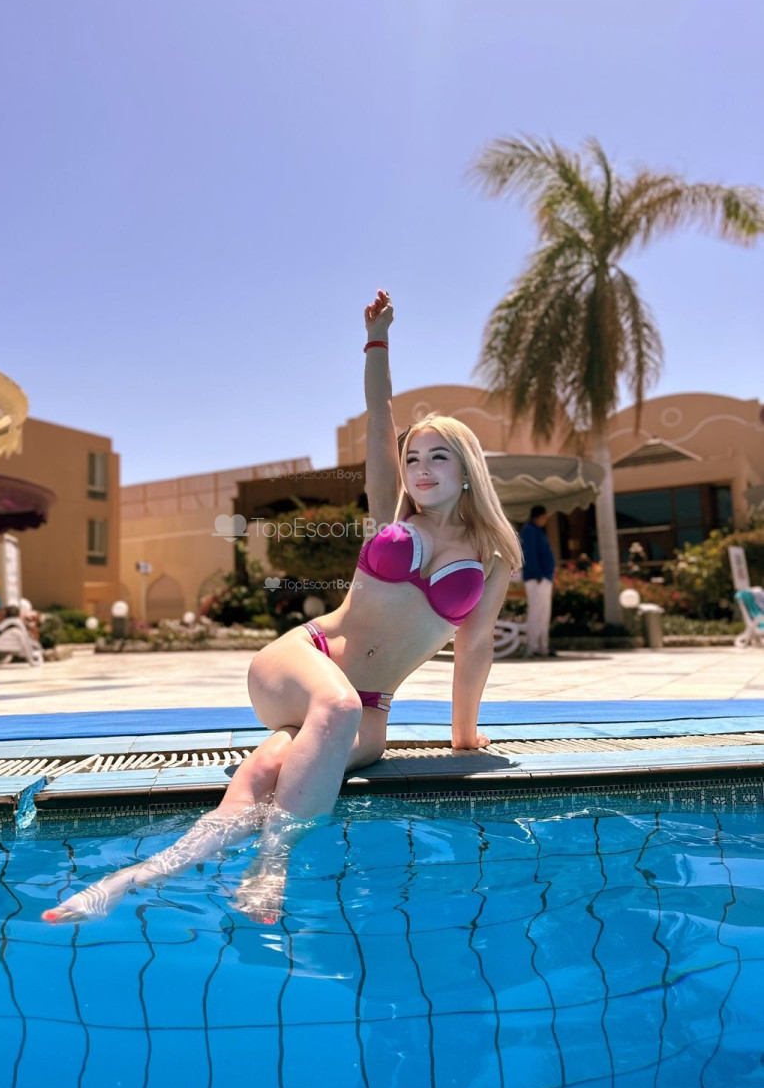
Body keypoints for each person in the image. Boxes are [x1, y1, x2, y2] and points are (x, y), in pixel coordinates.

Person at [43, 290, 522, 926]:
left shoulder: (493, 554)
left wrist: (463, 737)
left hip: (367, 708)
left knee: (268, 768)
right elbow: (380, 413)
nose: (421, 469)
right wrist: (377, 340)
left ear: (468, 471)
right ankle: (273, 866)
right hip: (302, 661)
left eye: (439, 457)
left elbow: (475, 645)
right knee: (334, 705)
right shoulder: (391, 512)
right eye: (414, 457)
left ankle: (132, 878)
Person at [519, 505, 556, 657]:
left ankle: (542, 647)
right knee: (536, 613)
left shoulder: (537, 531)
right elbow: (529, 554)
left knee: (544, 614)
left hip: (543, 578)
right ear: (539, 516)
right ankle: (533, 647)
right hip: (537, 579)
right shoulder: (529, 531)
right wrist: (537, 575)